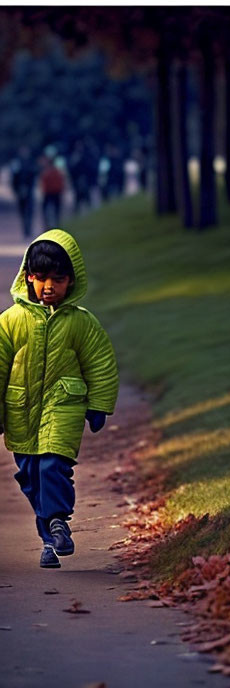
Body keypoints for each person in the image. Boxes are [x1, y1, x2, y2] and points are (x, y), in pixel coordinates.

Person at [0, 230, 119, 569]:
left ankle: (58, 521)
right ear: (28, 278)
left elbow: (100, 362)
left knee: (53, 465)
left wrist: (98, 404)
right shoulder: (10, 321)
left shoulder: (81, 323)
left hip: (63, 407)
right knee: (31, 474)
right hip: (21, 410)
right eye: (41, 279)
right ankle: (49, 538)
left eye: (58, 279)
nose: (49, 286)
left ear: (71, 280)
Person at [10, 146, 37, 239]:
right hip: (20, 190)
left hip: (29, 190)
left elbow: (34, 176)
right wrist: (16, 190)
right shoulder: (16, 162)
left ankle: (28, 228)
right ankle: (25, 228)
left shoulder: (31, 162)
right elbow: (14, 178)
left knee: (29, 210)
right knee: (22, 210)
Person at [39, 154, 66, 230]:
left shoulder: (46, 172)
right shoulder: (57, 172)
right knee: (56, 211)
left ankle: (48, 226)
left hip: (49, 194)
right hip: (55, 193)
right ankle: (56, 225)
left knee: (47, 211)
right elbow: (61, 183)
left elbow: (43, 184)